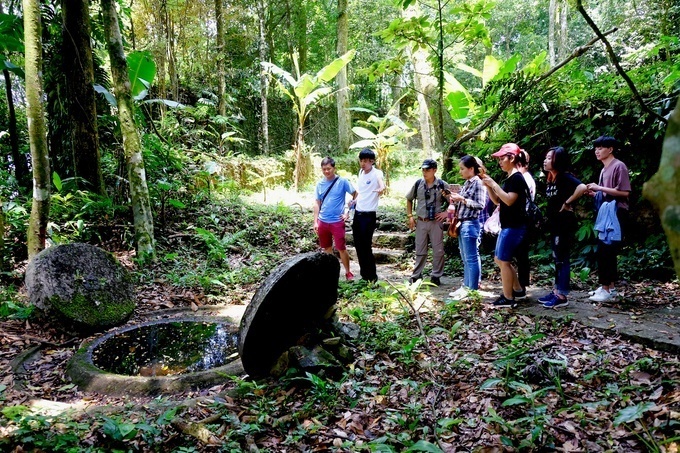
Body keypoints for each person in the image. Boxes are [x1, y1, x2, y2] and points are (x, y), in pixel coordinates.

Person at [538, 146, 588, 309]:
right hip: (555, 224)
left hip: (563, 224)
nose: (545, 161)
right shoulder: (551, 179)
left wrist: (567, 202)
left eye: (549, 158)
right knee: (557, 258)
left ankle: (562, 295)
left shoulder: (564, 177)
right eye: (545, 157)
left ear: (558, 160)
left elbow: (582, 187)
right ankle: (556, 290)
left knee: (562, 259)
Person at [480, 143, 528, 308]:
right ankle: (518, 290)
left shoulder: (517, 178)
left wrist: (494, 184)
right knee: (500, 260)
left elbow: (509, 199)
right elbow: (498, 201)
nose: (500, 162)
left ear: (512, 158)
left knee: (503, 260)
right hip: (508, 225)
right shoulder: (509, 178)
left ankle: (508, 298)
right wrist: (489, 187)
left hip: (515, 226)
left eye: (502, 158)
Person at [585, 136, 631, 302]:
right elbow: (605, 192)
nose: (597, 151)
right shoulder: (603, 170)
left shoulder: (619, 166)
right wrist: (595, 192)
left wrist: (599, 188)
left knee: (607, 251)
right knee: (604, 250)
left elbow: (625, 193)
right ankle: (609, 288)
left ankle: (606, 289)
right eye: (596, 148)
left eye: (601, 148)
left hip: (616, 212)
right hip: (605, 213)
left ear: (610, 149)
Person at [447, 155, 487, 300]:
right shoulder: (468, 183)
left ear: (471, 169)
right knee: (465, 258)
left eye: (462, 169)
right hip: (462, 223)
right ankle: (466, 286)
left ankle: (472, 290)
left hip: (471, 223)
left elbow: (480, 205)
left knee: (471, 258)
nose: (460, 172)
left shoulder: (478, 183)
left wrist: (462, 199)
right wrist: (455, 199)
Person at [406, 159, 450, 286]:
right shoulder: (418, 183)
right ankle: (416, 275)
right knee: (420, 250)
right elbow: (409, 199)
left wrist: (446, 213)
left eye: (428, 170)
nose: (425, 172)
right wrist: (410, 216)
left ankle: (436, 276)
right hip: (421, 221)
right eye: (423, 170)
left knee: (438, 250)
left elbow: (452, 202)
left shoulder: (442, 185)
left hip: (436, 222)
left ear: (434, 170)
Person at [313, 156, 357, 281]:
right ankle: (332, 273)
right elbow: (317, 203)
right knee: (326, 248)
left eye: (329, 169)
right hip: (323, 221)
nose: (327, 171)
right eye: (324, 169)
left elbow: (355, 193)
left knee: (341, 248)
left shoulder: (342, 182)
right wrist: (315, 221)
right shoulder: (320, 184)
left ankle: (348, 273)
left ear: (334, 168)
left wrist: (349, 211)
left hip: (337, 221)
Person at [349, 148, 385, 282]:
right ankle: (364, 275)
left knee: (366, 245)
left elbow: (381, 185)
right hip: (358, 213)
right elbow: (361, 192)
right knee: (358, 245)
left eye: (366, 161)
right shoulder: (361, 173)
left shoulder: (377, 173)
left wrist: (381, 189)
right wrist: (354, 201)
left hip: (369, 215)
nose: (363, 163)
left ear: (372, 161)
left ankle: (372, 276)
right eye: (361, 161)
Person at [514, 149, 536, 297]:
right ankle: (521, 285)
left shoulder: (523, 178)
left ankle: (520, 287)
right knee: (521, 256)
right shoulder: (526, 177)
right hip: (524, 220)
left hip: (521, 221)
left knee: (520, 256)